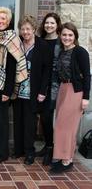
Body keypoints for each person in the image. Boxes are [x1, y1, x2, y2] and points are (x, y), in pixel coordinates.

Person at [0, 7, 27, 164]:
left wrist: (8, 91)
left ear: (8, 21)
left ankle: (0, 153)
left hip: (4, 87)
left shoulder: (12, 39)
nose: (0, 21)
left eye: (3, 19)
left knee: (1, 121)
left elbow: (13, 67)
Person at [50, 22, 91, 173]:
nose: (67, 37)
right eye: (64, 34)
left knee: (66, 126)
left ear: (75, 36)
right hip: (63, 88)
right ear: (60, 36)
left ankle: (66, 160)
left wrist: (86, 97)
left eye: (70, 35)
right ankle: (65, 156)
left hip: (75, 91)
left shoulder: (80, 52)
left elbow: (87, 76)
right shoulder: (61, 51)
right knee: (63, 125)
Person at [13, 15, 52, 165]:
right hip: (18, 90)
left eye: (28, 28)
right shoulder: (17, 44)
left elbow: (47, 70)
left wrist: (43, 91)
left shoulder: (42, 46)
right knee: (18, 120)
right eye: (22, 28)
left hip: (33, 91)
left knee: (30, 123)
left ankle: (30, 152)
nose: (25, 31)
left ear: (34, 29)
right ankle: (19, 150)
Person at [37, 12, 62, 165]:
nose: (49, 26)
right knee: (43, 117)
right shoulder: (39, 40)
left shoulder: (61, 42)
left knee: (49, 116)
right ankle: (47, 145)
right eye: (47, 23)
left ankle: (53, 148)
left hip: (55, 84)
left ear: (57, 25)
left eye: (52, 23)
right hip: (40, 82)